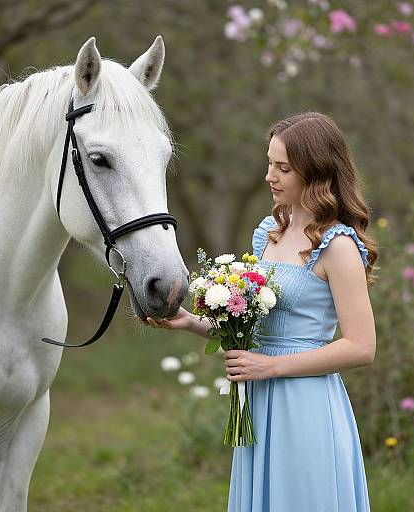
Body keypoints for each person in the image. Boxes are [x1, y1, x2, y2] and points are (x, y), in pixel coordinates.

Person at [142, 111, 377, 512]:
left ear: (315, 172)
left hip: (305, 401)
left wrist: (270, 368)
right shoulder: (270, 231)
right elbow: (257, 327)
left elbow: (361, 347)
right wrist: (191, 323)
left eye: (283, 168)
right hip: (259, 397)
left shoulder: (337, 246)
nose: (270, 175)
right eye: (269, 163)